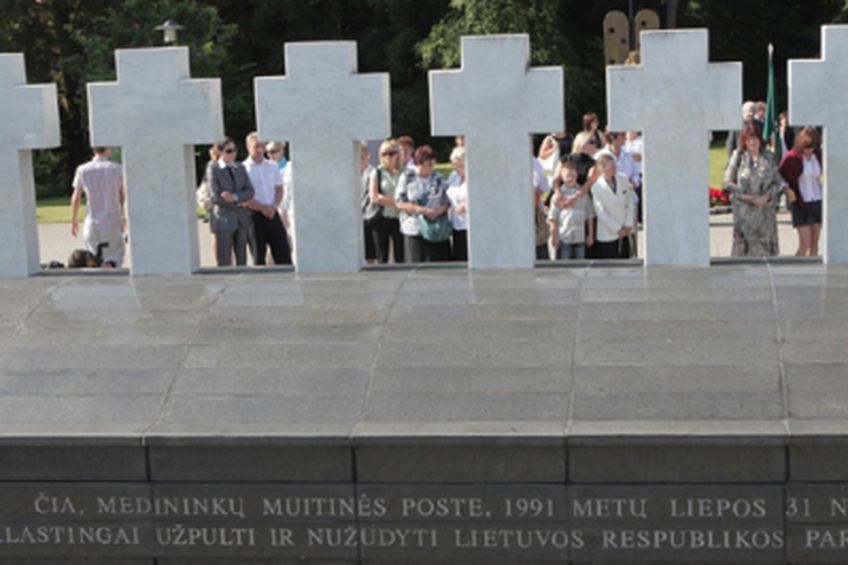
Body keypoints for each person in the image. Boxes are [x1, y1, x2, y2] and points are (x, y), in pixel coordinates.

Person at [723, 122, 782, 257]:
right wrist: (749, 198)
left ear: (760, 139)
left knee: (765, 261)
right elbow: (727, 183)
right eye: (748, 138)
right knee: (744, 260)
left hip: (765, 216)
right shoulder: (738, 156)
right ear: (744, 140)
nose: (752, 141)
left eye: (755, 137)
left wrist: (766, 197)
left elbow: (777, 181)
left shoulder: (769, 157)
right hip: (744, 217)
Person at [70, 147, 126, 268]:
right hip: (112, 221)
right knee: (114, 257)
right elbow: (122, 195)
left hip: (91, 223)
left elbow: (76, 197)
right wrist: (123, 214)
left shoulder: (82, 169)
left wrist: (74, 219)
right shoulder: (117, 169)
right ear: (108, 149)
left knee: (93, 260)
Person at [394, 145, 451, 262]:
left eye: (433, 163)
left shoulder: (438, 177)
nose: (431, 167)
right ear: (419, 163)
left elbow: (447, 201)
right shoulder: (407, 177)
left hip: (436, 230)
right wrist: (422, 210)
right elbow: (399, 202)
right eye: (428, 164)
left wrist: (437, 211)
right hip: (414, 228)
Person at [242, 132, 290, 265]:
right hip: (254, 215)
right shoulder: (242, 169)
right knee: (258, 257)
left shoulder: (272, 166)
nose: (259, 150)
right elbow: (243, 197)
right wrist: (262, 208)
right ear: (248, 147)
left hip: (273, 213)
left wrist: (274, 206)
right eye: (256, 146)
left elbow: (279, 189)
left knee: (283, 253)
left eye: (262, 146)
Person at [209, 137, 255, 266]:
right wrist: (238, 202)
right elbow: (215, 196)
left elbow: (250, 191)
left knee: (242, 259)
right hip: (223, 219)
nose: (233, 153)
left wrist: (235, 198)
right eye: (229, 150)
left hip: (241, 219)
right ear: (220, 151)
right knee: (224, 259)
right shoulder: (213, 169)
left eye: (235, 150)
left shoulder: (240, 167)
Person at [779, 127, 823, 257]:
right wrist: (788, 190)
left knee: (815, 243)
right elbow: (779, 177)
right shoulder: (792, 157)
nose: (809, 150)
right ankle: (795, 272)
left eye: (812, 146)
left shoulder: (818, 156)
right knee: (805, 245)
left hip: (817, 200)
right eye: (807, 147)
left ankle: (814, 274)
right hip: (800, 202)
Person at [367, 140, 405, 264]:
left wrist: (402, 205)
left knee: (402, 256)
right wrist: (399, 203)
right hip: (381, 218)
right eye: (384, 154)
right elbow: (374, 196)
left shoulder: (405, 172)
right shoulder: (377, 172)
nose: (388, 157)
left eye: (391, 153)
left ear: (398, 154)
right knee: (382, 256)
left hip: (401, 218)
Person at [548, 160, 594, 260]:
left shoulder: (583, 194)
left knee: (580, 267)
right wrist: (554, 236)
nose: (570, 178)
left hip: (579, 238)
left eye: (573, 175)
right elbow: (553, 218)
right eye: (567, 176)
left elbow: (589, 216)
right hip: (564, 238)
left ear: (577, 176)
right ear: (562, 177)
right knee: (564, 267)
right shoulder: (558, 196)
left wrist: (590, 235)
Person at [591, 153, 634, 259]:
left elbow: (629, 202)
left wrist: (627, 225)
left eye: (615, 165)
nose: (615, 168)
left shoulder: (623, 179)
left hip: (625, 231)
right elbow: (601, 213)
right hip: (607, 234)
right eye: (612, 166)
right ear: (602, 168)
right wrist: (617, 229)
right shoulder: (596, 188)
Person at [446, 146, 468, 261]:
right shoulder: (453, 176)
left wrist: (466, 206)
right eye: (454, 164)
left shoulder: (475, 178)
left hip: (469, 226)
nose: (456, 167)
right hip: (455, 224)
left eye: (458, 164)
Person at [360, 143, 377, 263]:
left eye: (362, 155)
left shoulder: (373, 173)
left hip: (368, 217)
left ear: (368, 156)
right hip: (354, 217)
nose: (360, 158)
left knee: (370, 253)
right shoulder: (348, 172)